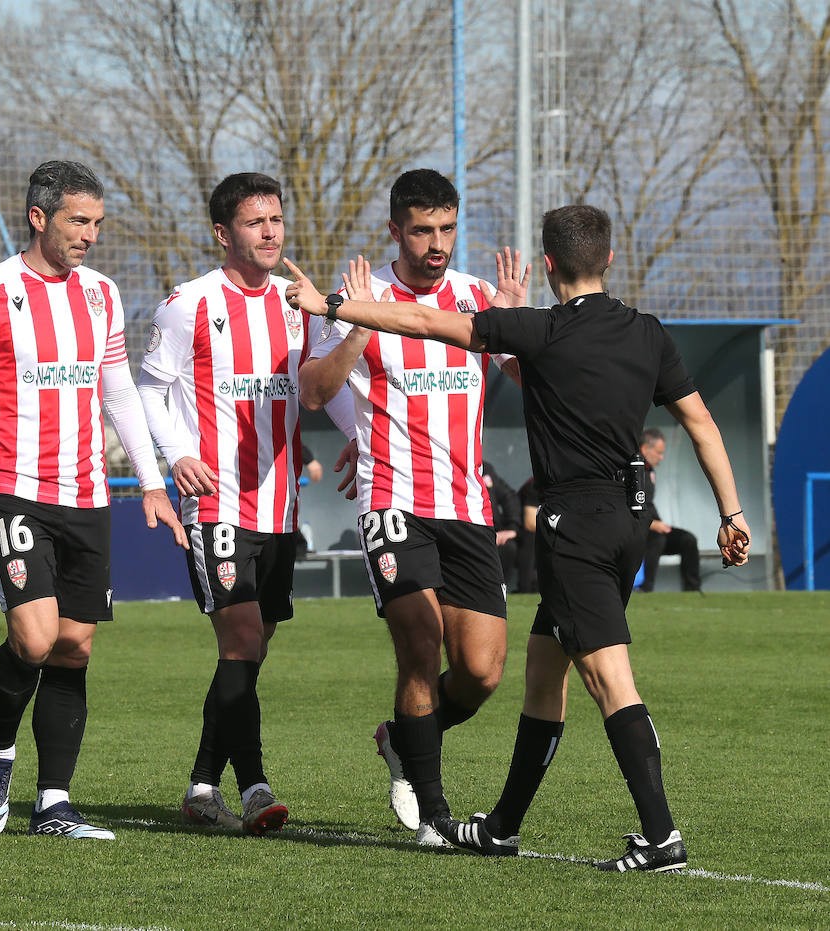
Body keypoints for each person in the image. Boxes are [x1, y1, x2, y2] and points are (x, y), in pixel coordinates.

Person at [285, 204, 750, 872]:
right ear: (610, 260)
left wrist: (334, 306)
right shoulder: (649, 333)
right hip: (630, 517)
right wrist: (730, 514)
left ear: (550, 264)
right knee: (543, 669)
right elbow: (702, 422)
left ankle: (660, 835)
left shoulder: (538, 330)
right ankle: (501, 826)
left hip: (575, 523)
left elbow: (420, 320)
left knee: (608, 674)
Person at [0, 160, 187, 840]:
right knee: (34, 636)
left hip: (88, 493)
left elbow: (120, 392)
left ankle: (53, 804)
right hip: (12, 489)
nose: (91, 236)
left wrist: (151, 481)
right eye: (79, 220)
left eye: (98, 223)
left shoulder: (101, 294)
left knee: (73, 646)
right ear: (39, 216)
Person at [298, 169, 519, 846]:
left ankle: (400, 739)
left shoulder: (477, 295)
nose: (437, 244)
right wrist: (360, 327)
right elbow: (312, 390)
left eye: (447, 229)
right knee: (420, 646)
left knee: (481, 671)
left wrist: (515, 322)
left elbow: (523, 377)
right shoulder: (355, 297)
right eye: (423, 230)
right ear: (395, 231)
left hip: (467, 501)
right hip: (392, 496)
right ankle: (435, 812)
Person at [138, 172, 353, 835]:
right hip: (217, 506)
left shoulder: (299, 305)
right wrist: (176, 454)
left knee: (250, 654)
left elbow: (319, 386)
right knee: (241, 638)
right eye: (255, 222)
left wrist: (361, 437)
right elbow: (149, 389)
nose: (270, 232)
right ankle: (256, 787)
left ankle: (203, 785)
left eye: (276, 220)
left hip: (281, 508)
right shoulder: (189, 305)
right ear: (222, 233)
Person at [635, 427, 701, 592]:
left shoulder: (650, 471)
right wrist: (651, 524)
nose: (662, 457)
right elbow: (630, 506)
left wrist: (659, 523)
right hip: (638, 529)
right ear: (644, 449)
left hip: (655, 525)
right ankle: (645, 588)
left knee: (688, 540)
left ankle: (692, 589)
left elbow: (649, 503)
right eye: (659, 452)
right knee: (657, 538)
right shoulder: (634, 472)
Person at [482, 461, 523, 590]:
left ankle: (499, 590)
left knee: (509, 547)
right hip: (465, 530)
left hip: (492, 531)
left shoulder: (484, 468)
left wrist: (512, 527)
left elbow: (509, 496)